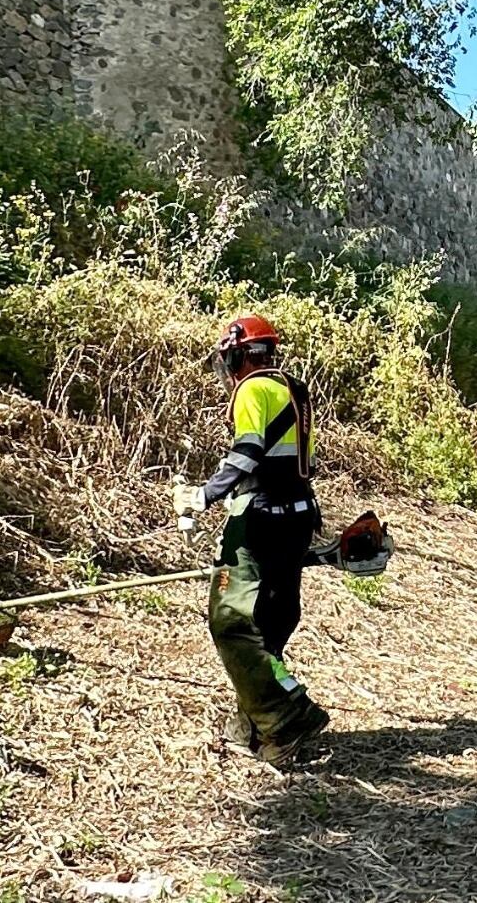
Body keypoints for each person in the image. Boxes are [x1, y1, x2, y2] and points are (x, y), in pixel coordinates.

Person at [184, 313, 330, 764]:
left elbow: (247, 452)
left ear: (236, 356)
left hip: (260, 520)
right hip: (299, 516)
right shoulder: (295, 389)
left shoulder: (252, 389)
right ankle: (256, 728)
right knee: (271, 620)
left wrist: (203, 495)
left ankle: (288, 716)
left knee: (231, 621)